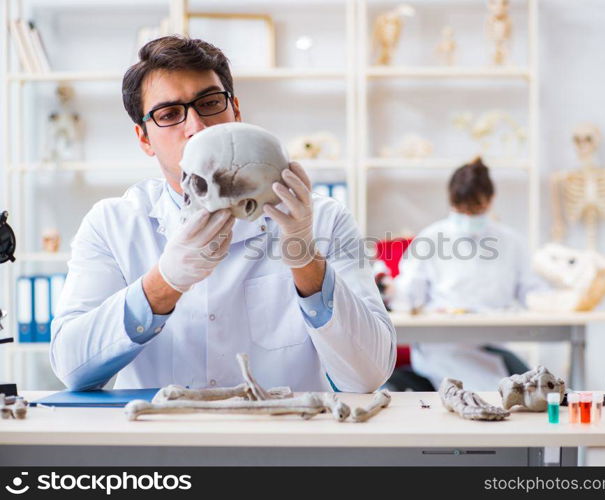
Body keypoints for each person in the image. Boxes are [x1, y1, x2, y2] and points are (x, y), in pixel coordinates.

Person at [50, 36, 395, 392]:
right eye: (169, 114)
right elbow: (72, 368)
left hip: (286, 440)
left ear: (236, 112)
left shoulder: (322, 219)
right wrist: (164, 282)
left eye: (210, 103)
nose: (196, 126)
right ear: (144, 139)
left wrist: (305, 259)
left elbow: (369, 375)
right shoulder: (112, 224)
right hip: (161, 442)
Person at [390, 157, 547, 391]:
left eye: (477, 210)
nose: (469, 218)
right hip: (441, 347)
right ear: (450, 202)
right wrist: (391, 291)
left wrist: (557, 299)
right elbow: (408, 296)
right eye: (461, 210)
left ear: (491, 202)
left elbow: (532, 293)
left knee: (529, 388)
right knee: (488, 391)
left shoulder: (512, 242)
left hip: (491, 343)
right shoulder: (431, 239)